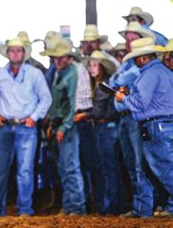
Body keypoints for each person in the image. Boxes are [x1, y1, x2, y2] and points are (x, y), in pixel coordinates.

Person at [0, 37, 51, 217]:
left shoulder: (34, 74)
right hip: (6, 126)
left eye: (18, 50)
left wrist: (34, 117)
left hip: (26, 126)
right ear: (7, 53)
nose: (15, 53)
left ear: (24, 53)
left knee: (25, 170)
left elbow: (46, 98)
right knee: (1, 169)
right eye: (12, 50)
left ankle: (24, 209)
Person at [115, 37, 173, 217]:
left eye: (135, 58)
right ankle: (143, 209)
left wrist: (123, 98)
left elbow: (140, 103)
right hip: (164, 124)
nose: (135, 62)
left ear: (142, 58)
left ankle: (143, 208)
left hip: (154, 125)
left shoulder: (149, 74)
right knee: (149, 168)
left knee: (163, 169)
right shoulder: (163, 72)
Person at [110, 22, 155, 217]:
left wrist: (121, 85)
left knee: (139, 164)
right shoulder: (130, 64)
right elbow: (115, 81)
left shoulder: (139, 67)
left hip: (135, 117)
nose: (128, 42)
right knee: (132, 164)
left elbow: (117, 81)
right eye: (127, 39)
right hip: (125, 117)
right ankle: (140, 206)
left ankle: (145, 207)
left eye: (131, 39)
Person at [76, 51, 123, 215]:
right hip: (108, 127)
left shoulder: (101, 86)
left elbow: (98, 112)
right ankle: (113, 205)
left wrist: (82, 115)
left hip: (105, 128)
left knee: (108, 168)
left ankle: (111, 206)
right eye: (90, 65)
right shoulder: (103, 84)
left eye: (95, 65)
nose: (91, 68)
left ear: (102, 67)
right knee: (110, 168)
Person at [44, 38, 86, 215]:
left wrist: (63, 127)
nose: (57, 60)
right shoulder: (61, 73)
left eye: (61, 57)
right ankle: (70, 206)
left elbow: (72, 105)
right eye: (55, 57)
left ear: (69, 58)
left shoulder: (71, 74)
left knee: (70, 167)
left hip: (65, 127)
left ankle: (76, 206)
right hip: (58, 125)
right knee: (64, 167)